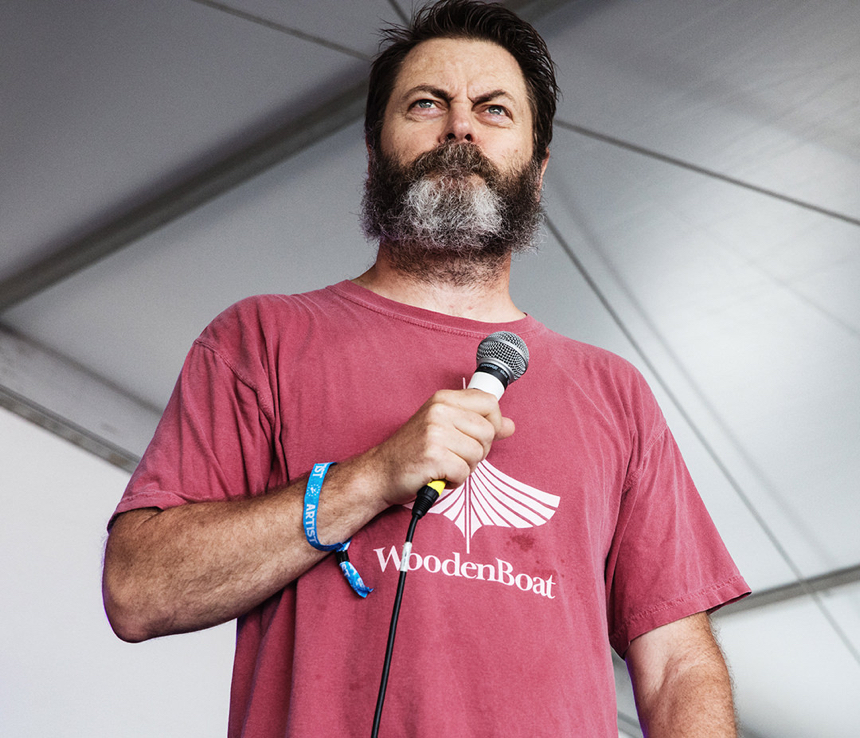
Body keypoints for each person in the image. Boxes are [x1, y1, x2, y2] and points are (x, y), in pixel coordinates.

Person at [102, 1, 749, 736]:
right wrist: (371, 477)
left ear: (537, 172)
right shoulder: (262, 339)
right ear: (375, 153)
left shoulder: (615, 395)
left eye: (494, 109)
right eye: (427, 103)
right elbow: (138, 589)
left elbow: (675, 665)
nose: (460, 126)